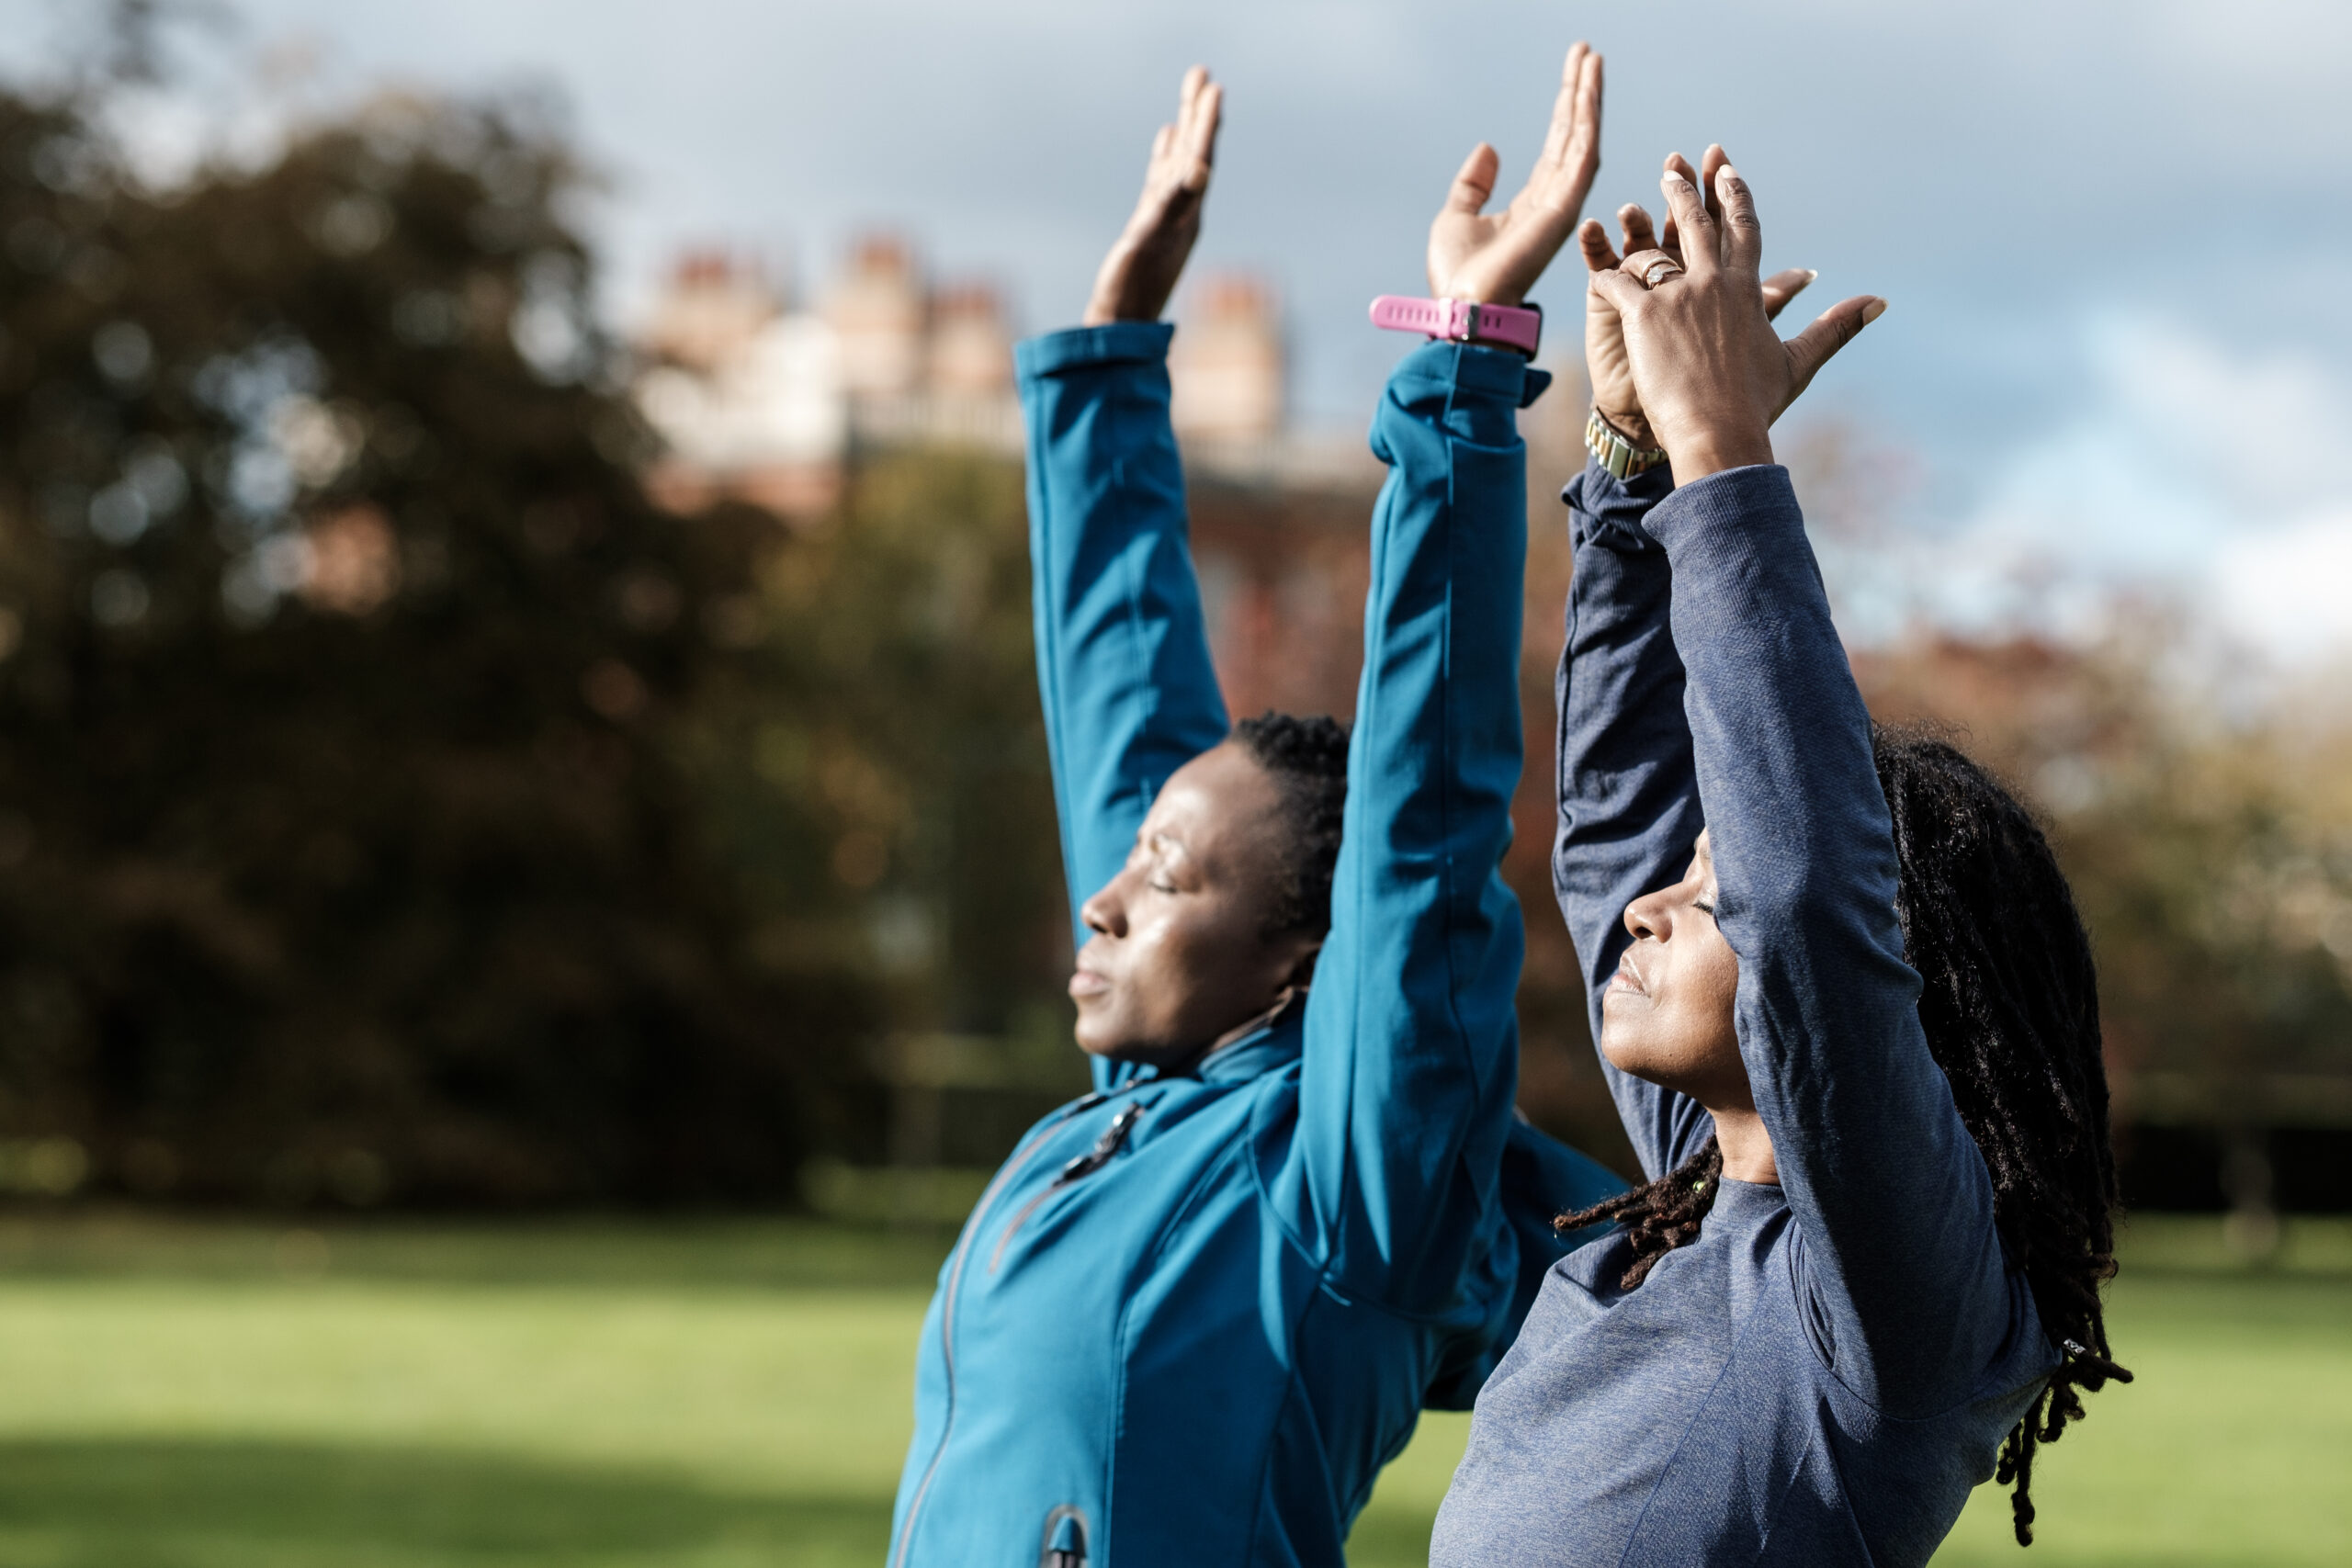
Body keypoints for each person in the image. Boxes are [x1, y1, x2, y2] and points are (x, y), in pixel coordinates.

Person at [889, 51, 1624, 1568]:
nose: (1103, 896)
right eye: (1135, 867)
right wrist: (1110, 355)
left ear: (1302, 961)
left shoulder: (1351, 1194)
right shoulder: (1130, 1122)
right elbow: (1129, 721)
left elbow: (1422, 823)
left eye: (1160, 881)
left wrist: (1467, 368)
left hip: (1462, 393)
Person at [1429, 150, 2130, 1565]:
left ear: (1893, 979)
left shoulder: (1893, 1308)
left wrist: (1723, 456)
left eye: (1707, 890)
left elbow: (1806, 898)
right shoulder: (1699, 1201)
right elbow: (1622, 813)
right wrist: (1628, 472)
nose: (1644, 914)